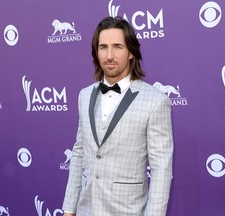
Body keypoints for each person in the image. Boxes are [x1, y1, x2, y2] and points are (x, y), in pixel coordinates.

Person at [62, 16, 173, 216]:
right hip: (86, 209)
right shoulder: (84, 95)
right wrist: (69, 209)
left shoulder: (155, 101)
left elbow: (161, 169)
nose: (109, 55)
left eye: (118, 47)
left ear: (131, 52)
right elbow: (79, 152)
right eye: (103, 47)